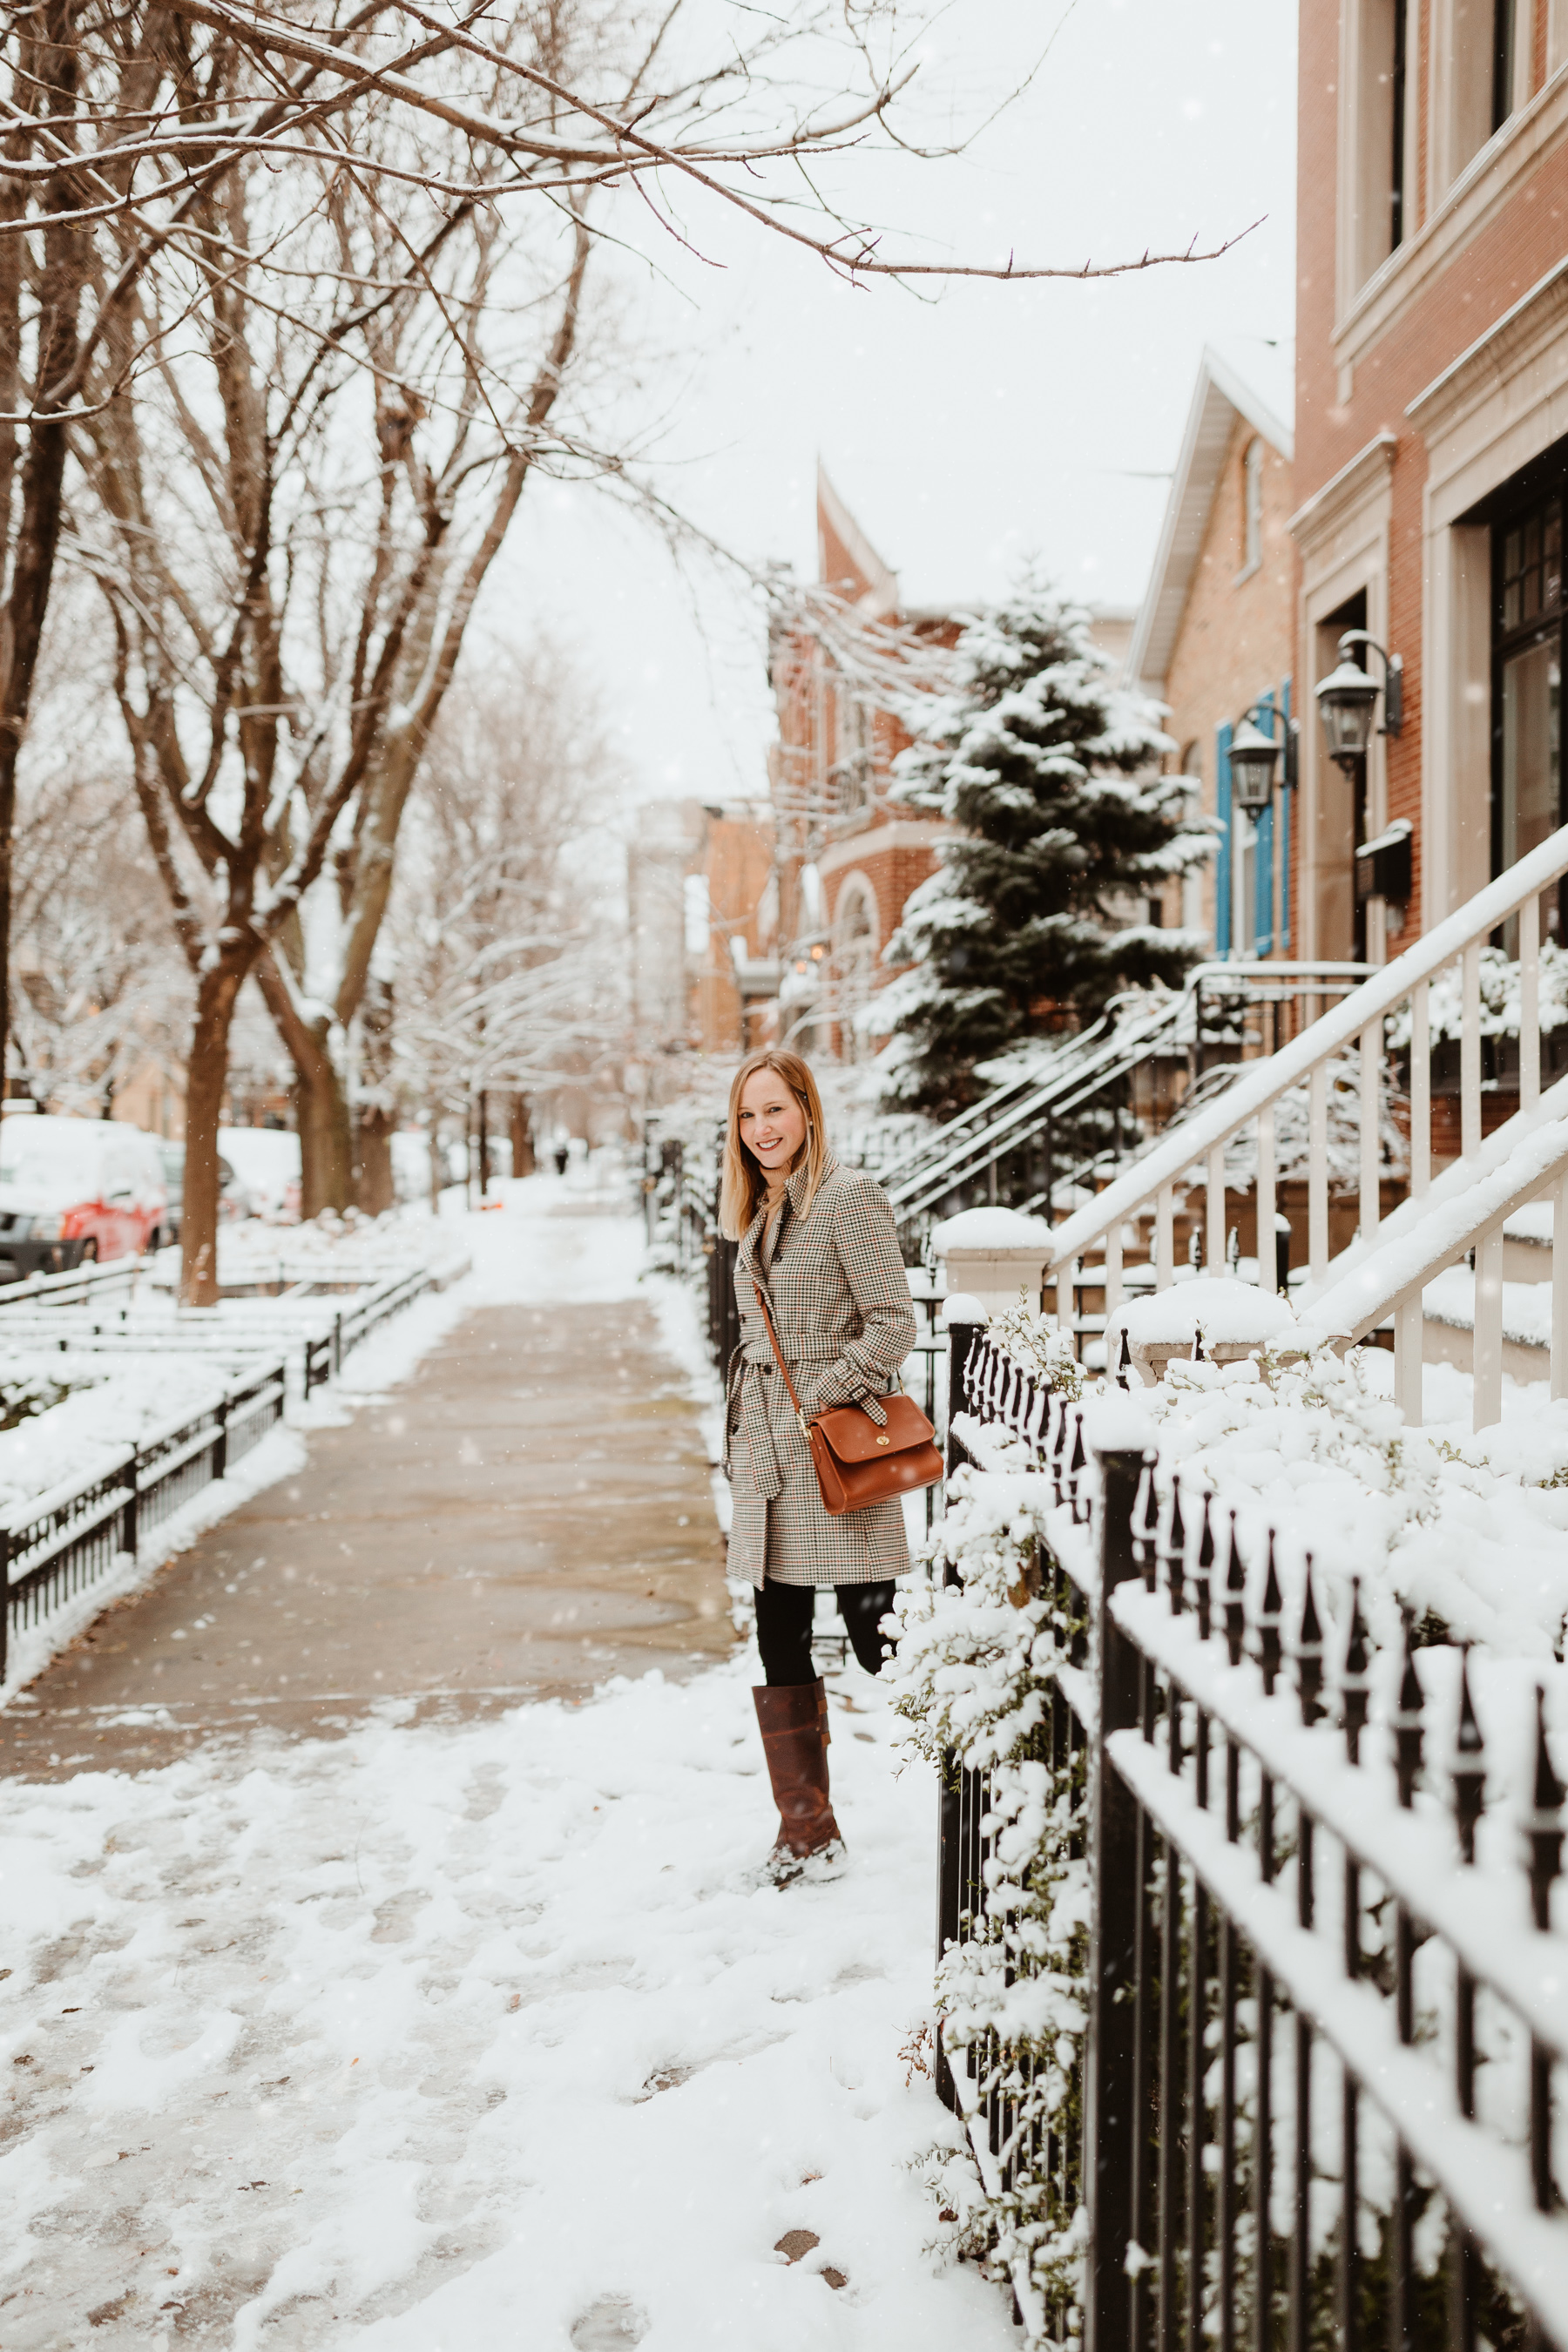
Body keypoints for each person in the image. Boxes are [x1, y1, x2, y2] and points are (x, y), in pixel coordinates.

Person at [720, 1048, 916, 1880]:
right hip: (769, 1459)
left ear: (807, 1110)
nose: (762, 1130)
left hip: (832, 1450)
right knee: (779, 1639)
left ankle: (986, 1788)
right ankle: (808, 1833)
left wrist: (823, 1398)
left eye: (775, 1110)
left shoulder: (847, 1199)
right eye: (747, 1116)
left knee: (882, 1642)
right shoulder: (760, 1212)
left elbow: (894, 1324)